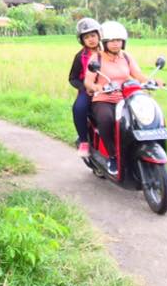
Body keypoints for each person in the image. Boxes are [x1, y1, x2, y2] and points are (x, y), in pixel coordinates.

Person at [84, 20, 162, 175]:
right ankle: (113, 156)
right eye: (112, 40)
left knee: (139, 120)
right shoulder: (96, 59)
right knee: (106, 120)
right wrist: (97, 87)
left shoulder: (126, 57)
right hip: (104, 99)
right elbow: (88, 81)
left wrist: (152, 81)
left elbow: (138, 75)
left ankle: (138, 152)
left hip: (126, 98)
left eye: (118, 40)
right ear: (104, 42)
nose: (115, 44)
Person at [68, 17, 102, 157]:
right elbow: (73, 78)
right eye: (87, 37)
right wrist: (84, 88)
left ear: (99, 35)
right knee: (79, 108)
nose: (91, 39)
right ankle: (83, 141)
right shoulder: (80, 56)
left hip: (108, 87)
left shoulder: (108, 51)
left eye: (93, 35)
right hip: (87, 90)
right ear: (82, 40)